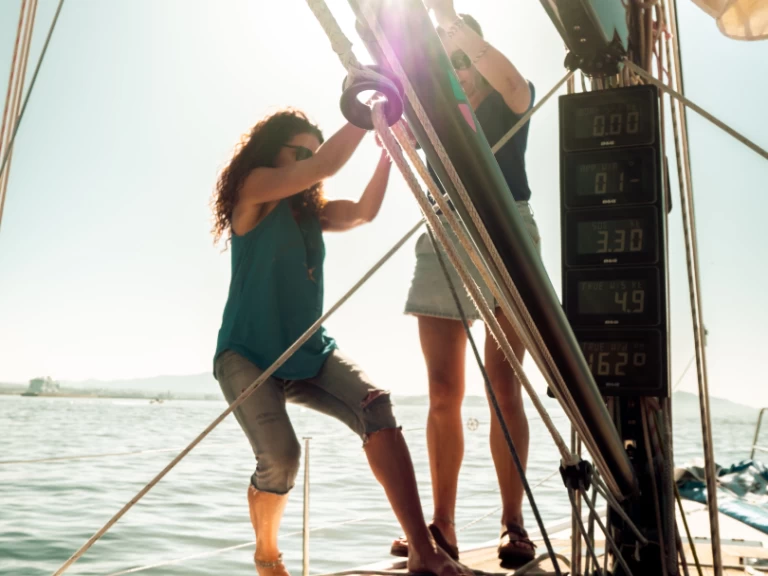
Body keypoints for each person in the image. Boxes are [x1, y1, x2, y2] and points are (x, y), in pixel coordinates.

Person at [211, 107, 471, 576]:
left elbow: (364, 212)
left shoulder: (311, 214)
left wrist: (388, 155)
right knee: (282, 458)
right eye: (300, 154)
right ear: (272, 151)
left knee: (376, 406)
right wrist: (365, 113)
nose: (309, 164)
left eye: (312, 153)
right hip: (246, 354)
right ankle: (267, 558)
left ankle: (423, 551)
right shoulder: (254, 189)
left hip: (309, 351)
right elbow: (327, 164)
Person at [391, 0, 541, 567]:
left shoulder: (510, 99)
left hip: (507, 227)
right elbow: (411, 151)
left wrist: (447, 21)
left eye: (466, 58)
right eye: (449, 62)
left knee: (504, 386)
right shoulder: (431, 113)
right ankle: (443, 525)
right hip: (446, 232)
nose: (461, 70)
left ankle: (513, 523)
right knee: (442, 390)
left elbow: (514, 83)